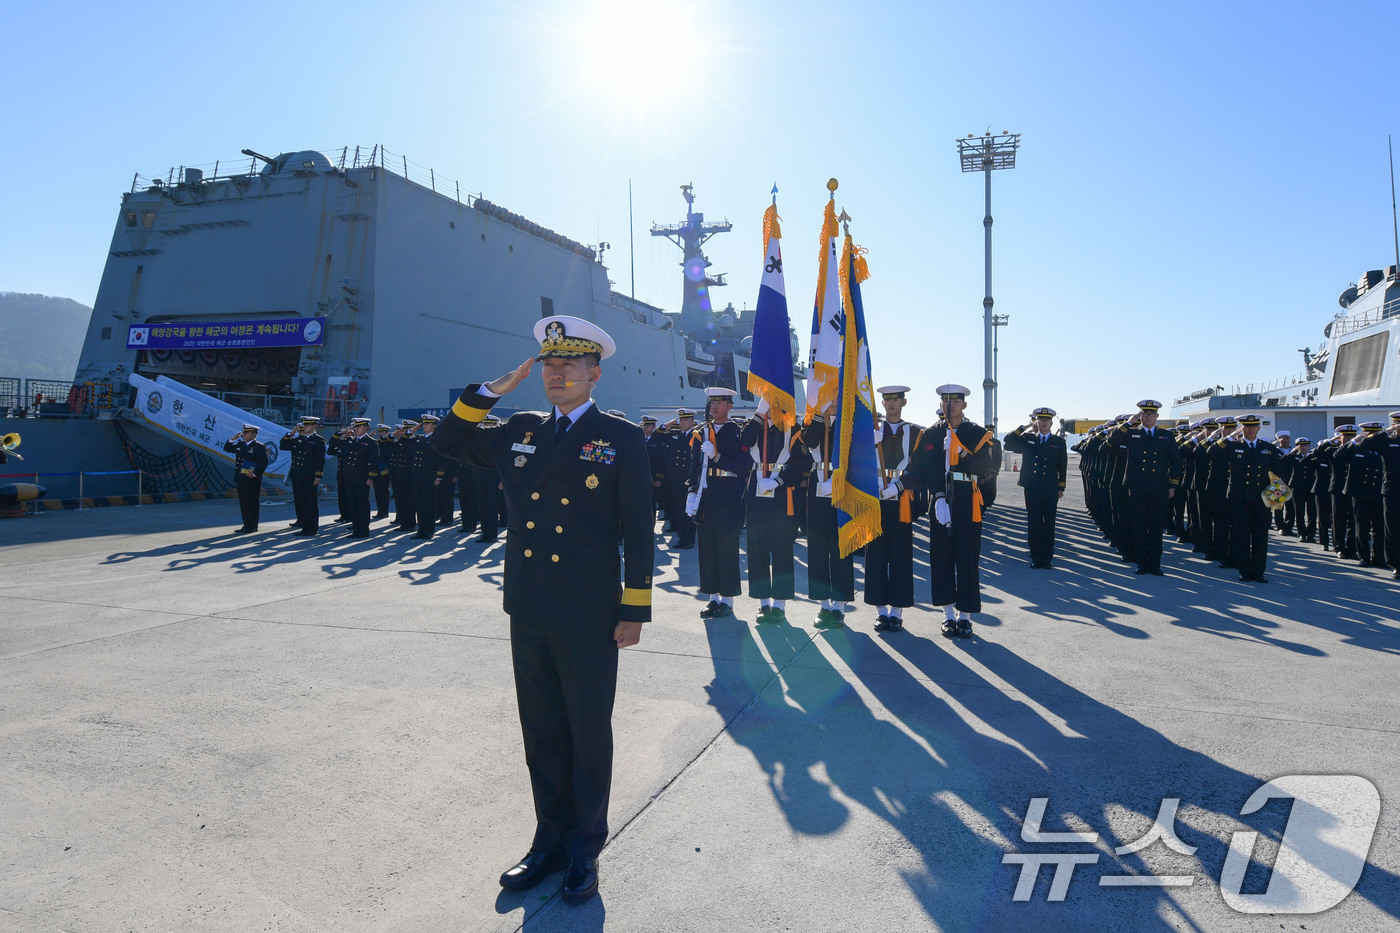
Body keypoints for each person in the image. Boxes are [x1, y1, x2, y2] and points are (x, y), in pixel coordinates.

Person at [431, 314, 653, 905]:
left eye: (570, 366)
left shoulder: (622, 438)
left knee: (586, 730)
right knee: (542, 730)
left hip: (589, 610)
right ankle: (548, 838)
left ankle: (584, 848)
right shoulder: (518, 428)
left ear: (594, 373)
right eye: (549, 366)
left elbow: (638, 529)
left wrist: (635, 607)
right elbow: (445, 442)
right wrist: (487, 394)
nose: (557, 375)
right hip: (528, 602)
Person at [903, 384, 995, 638]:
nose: (950, 405)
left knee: (967, 557)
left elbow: (987, 467)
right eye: (945, 400)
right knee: (941, 557)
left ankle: (965, 616)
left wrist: (962, 452)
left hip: (967, 496)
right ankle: (948, 615)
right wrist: (938, 496)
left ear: (964, 405)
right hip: (941, 497)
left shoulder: (976, 432)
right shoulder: (932, 433)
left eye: (955, 401)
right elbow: (921, 469)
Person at [740, 401, 807, 624]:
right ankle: (763, 604)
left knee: (781, 551)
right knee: (757, 551)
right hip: (757, 494)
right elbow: (745, 441)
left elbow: (799, 464)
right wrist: (759, 414)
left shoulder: (793, 427)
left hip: (781, 495)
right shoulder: (755, 425)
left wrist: (778, 481)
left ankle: (779, 604)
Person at [865, 386, 924, 631]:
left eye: (895, 399)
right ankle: (880, 611)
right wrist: (869, 444)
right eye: (886, 400)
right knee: (876, 555)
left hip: (900, 499)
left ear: (904, 402)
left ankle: (897, 612)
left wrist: (899, 485)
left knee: (900, 555)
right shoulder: (871, 430)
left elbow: (921, 470)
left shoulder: (916, 432)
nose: (890, 404)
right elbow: (856, 462)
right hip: (875, 496)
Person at [687, 387, 750, 618]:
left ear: (729, 406)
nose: (714, 407)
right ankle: (712, 597)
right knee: (708, 547)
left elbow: (743, 465)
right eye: (711, 403)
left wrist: (717, 456)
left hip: (727, 493)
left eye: (719, 403)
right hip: (706, 493)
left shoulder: (738, 431)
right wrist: (691, 491)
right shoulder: (702, 431)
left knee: (726, 547)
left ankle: (728, 599)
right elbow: (694, 465)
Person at [1103, 400, 1181, 576]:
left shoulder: (1166, 436)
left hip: (1158, 487)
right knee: (1138, 526)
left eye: (1151, 414)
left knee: (1155, 526)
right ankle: (1141, 563)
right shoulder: (1130, 434)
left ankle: (1155, 564)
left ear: (1157, 417)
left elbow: (1175, 462)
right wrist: (1129, 422)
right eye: (1144, 414)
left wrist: (1172, 485)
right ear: (1140, 416)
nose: (1148, 417)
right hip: (1137, 487)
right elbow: (1111, 443)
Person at [802, 404, 855, 627]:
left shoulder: (849, 422)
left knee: (841, 545)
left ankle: (840, 605)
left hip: (842, 482)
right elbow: (809, 441)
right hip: (818, 482)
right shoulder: (813, 421)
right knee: (818, 546)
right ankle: (823, 605)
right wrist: (818, 416)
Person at [1216, 413, 1281, 582]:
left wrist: (1273, 499)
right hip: (1240, 498)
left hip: (1262, 499)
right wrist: (1230, 436)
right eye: (1246, 426)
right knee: (1241, 536)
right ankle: (1244, 571)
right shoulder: (1233, 446)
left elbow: (1279, 473)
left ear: (1259, 428)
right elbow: (1212, 452)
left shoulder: (1268, 448)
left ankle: (1258, 572)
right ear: (1242, 428)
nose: (1250, 429)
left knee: (1260, 536)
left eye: (1253, 426)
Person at [1003, 406, 1068, 569]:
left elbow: (1063, 465)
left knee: (1049, 523)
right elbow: (1008, 442)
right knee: (1034, 522)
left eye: (1046, 421)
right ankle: (1036, 556)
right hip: (1032, 486)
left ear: (1051, 423)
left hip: (1050, 488)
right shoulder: (1028, 439)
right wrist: (1025, 427)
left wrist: (1061, 486)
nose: (1043, 423)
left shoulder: (1058, 442)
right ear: (1036, 421)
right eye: (1040, 420)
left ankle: (1047, 559)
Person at [1346, 422, 1386, 567]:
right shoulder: (1357, 449)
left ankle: (1378, 558)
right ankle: (1364, 556)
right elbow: (1339, 456)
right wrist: (1353, 441)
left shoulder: (1383, 449)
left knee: (1379, 527)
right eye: (1370, 434)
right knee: (1362, 527)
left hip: (1378, 493)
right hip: (1360, 494)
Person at [280, 416, 326, 536]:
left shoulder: (318, 440)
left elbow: (320, 460)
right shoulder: (299, 439)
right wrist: (291, 432)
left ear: (314, 426)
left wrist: (318, 476)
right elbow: (283, 445)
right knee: (301, 501)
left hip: (309, 476)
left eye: (307, 425)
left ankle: (312, 528)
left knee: (310, 502)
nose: (304, 427)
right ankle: (305, 527)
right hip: (298, 475)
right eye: (304, 425)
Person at [332, 417, 378, 538]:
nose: (356, 429)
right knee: (352, 504)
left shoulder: (371, 442)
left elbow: (374, 461)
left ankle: (363, 530)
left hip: (362, 478)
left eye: (359, 427)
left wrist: (370, 477)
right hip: (349, 478)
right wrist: (341, 434)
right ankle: (356, 528)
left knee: (362, 504)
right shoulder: (349, 441)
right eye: (355, 427)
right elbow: (332, 447)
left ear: (366, 428)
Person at [409, 414, 449, 540]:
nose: (425, 426)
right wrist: (411, 431)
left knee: (428, 504)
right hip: (417, 476)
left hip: (429, 477)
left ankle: (429, 531)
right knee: (419, 505)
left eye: (428, 424)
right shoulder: (419, 439)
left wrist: (439, 476)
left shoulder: (436, 440)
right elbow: (404, 441)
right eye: (424, 423)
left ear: (434, 426)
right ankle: (421, 529)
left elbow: (440, 459)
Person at [663, 409, 698, 549]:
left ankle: (689, 539)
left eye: (685, 420)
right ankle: (681, 538)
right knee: (679, 508)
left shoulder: (697, 435)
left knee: (689, 509)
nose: (682, 423)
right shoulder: (676, 435)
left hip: (689, 477)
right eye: (681, 420)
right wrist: (672, 422)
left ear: (692, 422)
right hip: (676, 478)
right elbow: (658, 434)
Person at [223, 424, 268, 533]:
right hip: (241, 477)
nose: (244, 434)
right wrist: (233, 439)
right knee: (244, 502)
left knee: (252, 502)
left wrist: (255, 473)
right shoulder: (241, 444)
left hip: (252, 478)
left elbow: (263, 462)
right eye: (243, 432)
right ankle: (246, 525)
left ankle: (253, 526)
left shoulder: (259, 447)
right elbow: (227, 448)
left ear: (254, 434)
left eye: (247, 433)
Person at [641, 415, 669, 529]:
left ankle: (650, 525)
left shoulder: (657, 440)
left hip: (653, 476)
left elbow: (661, 460)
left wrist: (658, 478)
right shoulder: (639, 439)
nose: (645, 427)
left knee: (651, 502)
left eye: (648, 425)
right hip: (641, 476)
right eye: (644, 425)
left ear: (653, 427)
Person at [371, 424, 393, 520]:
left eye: (383, 432)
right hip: (377, 469)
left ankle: (384, 511)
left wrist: (388, 468)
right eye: (380, 432)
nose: (380, 434)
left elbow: (390, 456)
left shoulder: (388, 443)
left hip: (384, 469)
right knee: (377, 491)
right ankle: (380, 511)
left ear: (387, 433)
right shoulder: (377, 442)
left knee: (384, 491)